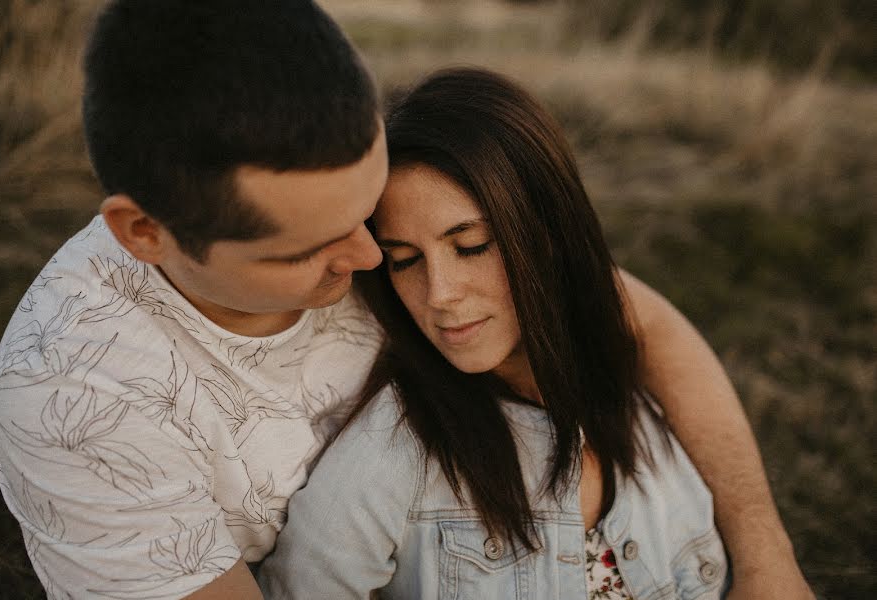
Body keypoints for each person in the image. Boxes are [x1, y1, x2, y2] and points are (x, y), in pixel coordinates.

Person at [0, 2, 810, 599]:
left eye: (368, 208)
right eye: (309, 248)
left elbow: (637, 319)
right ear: (147, 233)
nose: (374, 259)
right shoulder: (74, 396)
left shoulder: (384, 219)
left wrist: (767, 558)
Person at [258, 68, 808, 600]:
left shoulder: (639, 392)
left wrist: (769, 566)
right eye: (404, 260)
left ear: (548, 234)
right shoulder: (386, 460)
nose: (439, 293)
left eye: (471, 245)